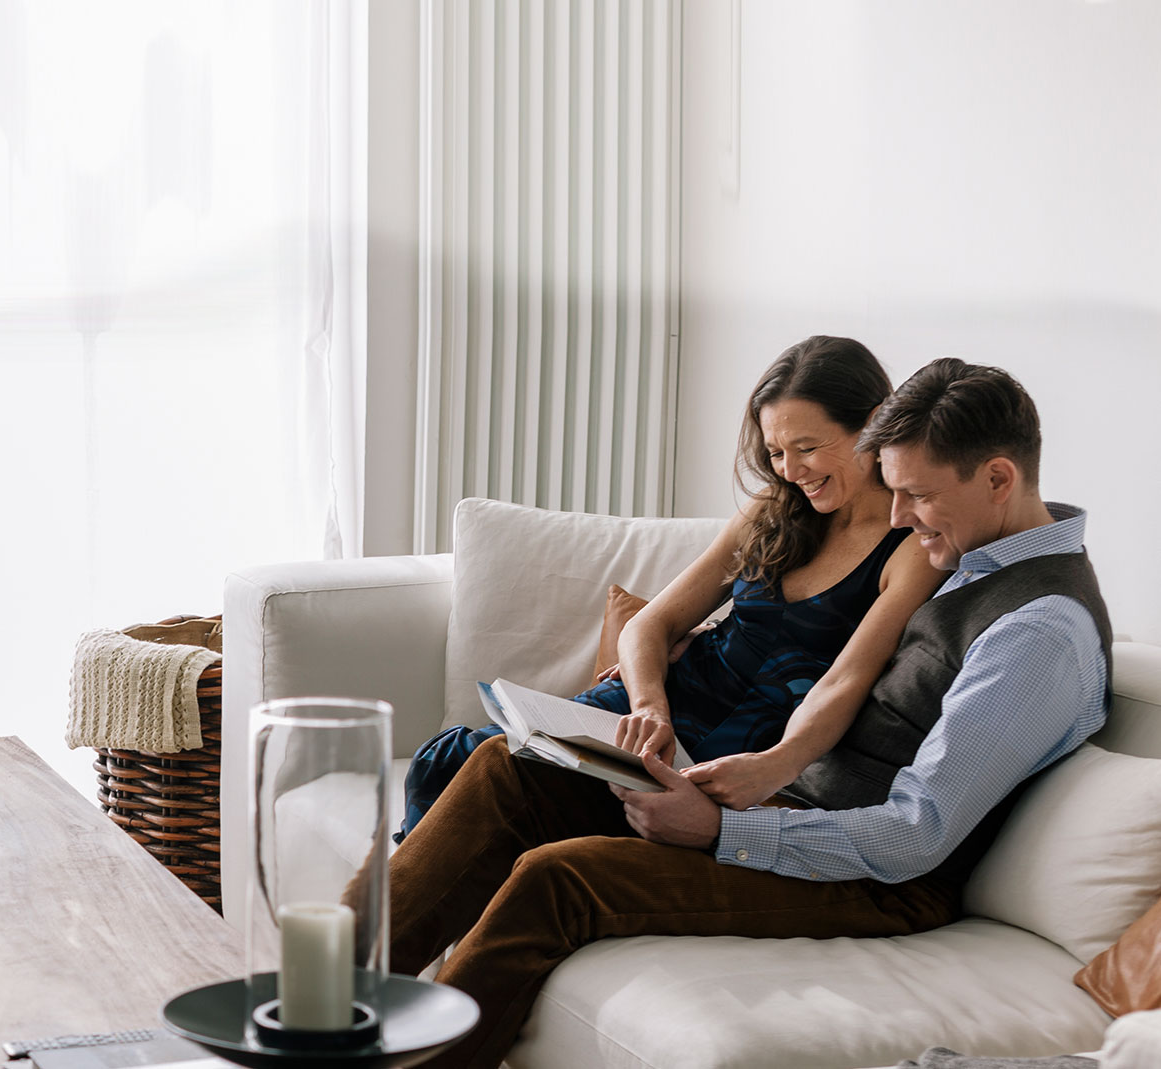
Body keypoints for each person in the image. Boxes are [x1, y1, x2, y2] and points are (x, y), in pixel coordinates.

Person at [381, 358, 1111, 1069]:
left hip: (881, 883)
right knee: (500, 773)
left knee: (559, 878)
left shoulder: (1037, 631)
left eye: (915, 494)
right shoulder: (976, 560)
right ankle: (325, 1010)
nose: (896, 515)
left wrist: (725, 827)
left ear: (997, 478)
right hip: (799, 804)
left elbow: (916, 837)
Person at [398, 336, 946, 841]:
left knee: (518, 793)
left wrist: (775, 766)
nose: (790, 471)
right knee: (451, 758)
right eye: (777, 452)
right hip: (651, 719)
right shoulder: (772, 511)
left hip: (741, 747)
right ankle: (407, 915)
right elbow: (650, 626)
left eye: (807, 446)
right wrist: (651, 709)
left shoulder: (912, 549)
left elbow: (845, 683)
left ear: (873, 424)